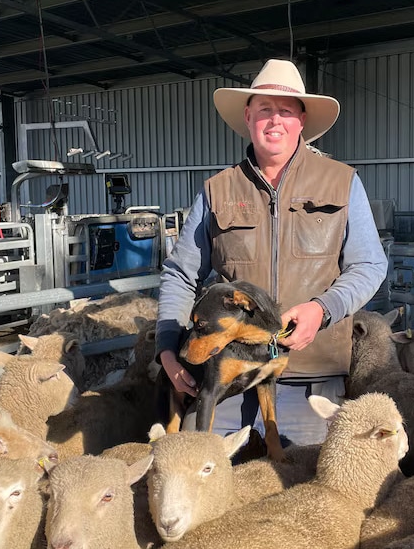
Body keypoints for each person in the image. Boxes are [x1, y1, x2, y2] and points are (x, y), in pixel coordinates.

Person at [155, 58, 388, 445]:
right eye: (264, 110)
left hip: (309, 383)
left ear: (302, 120)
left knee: (304, 497)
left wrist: (323, 309)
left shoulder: (342, 182)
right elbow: (181, 274)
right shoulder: (218, 190)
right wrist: (167, 350)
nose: (274, 121)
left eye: (285, 111)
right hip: (226, 383)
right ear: (248, 117)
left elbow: (369, 265)